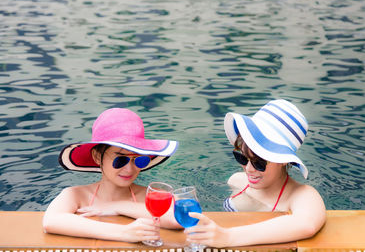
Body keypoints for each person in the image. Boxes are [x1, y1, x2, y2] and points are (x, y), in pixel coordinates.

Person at [186, 99, 326, 247]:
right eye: (242, 158)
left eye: (259, 163)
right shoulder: (236, 181)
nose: (248, 169)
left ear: (284, 160)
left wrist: (227, 237)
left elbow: (306, 224)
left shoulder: (302, 195)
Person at [42, 108, 181, 243]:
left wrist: (117, 206)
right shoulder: (76, 195)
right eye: (121, 159)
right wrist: (124, 233)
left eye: (139, 160)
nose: (129, 169)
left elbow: (178, 218)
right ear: (97, 157)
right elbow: (51, 221)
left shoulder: (153, 196)